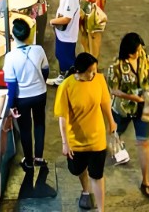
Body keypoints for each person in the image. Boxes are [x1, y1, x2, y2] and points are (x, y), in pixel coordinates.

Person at [55, 52, 118, 212]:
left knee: (97, 175)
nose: (93, 75)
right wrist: (65, 143)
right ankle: (85, 190)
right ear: (79, 71)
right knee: (77, 169)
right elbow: (63, 117)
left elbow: (105, 102)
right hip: (76, 141)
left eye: (94, 70)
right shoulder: (66, 86)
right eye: (89, 71)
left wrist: (111, 121)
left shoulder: (99, 79)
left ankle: (101, 209)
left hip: (97, 138)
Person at [107, 33, 149, 198]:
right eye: (135, 51)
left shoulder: (143, 56)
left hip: (143, 108)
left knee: (144, 142)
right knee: (115, 132)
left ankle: (146, 180)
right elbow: (113, 90)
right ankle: (116, 146)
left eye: (140, 49)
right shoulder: (116, 66)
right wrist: (132, 97)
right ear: (128, 52)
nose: (139, 52)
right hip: (123, 108)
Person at [4, 18, 50, 170]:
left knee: (25, 128)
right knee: (39, 124)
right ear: (29, 34)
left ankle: (29, 161)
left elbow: (11, 85)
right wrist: (39, 84)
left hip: (21, 98)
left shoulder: (10, 57)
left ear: (13, 36)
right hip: (40, 94)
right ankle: (39, 157)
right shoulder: (39, 50)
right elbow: (45, 71)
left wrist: (11, 106)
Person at [48, 0, 80, 86]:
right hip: (63, 33)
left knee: (66, 58)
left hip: (67, 35)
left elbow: (67, 19)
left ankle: (72, 81)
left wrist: (53, 21)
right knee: (60, 55)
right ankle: (63, 76)